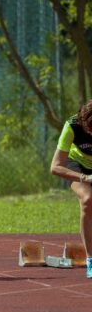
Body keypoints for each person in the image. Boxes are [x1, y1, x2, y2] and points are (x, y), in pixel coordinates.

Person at [50, 100, 92, 279]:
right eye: (90, 129)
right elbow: (55, 167)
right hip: (77, 166)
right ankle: (91, 259)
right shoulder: (72, 125)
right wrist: (85, 178)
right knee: (88, 200)